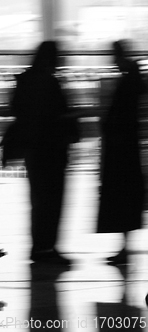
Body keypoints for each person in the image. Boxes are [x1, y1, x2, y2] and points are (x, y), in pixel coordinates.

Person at [10, 41, 78, 265]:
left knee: (39, 201)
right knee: (53, 201)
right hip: (52, 151)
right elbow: (57, 114)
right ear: (51, 59)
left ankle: (39, 247)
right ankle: (47, 248)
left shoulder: (25, 80)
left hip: (33, 151)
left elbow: (16, 110)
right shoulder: (49, 82)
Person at [97, 40, 145, 265]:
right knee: (128, 199)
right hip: (128, 149)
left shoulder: (128, 81)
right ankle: (126, 245)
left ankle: (125, 246)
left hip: (122, 151)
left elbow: (120, 117)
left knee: (122, 198)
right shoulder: (133, 78)